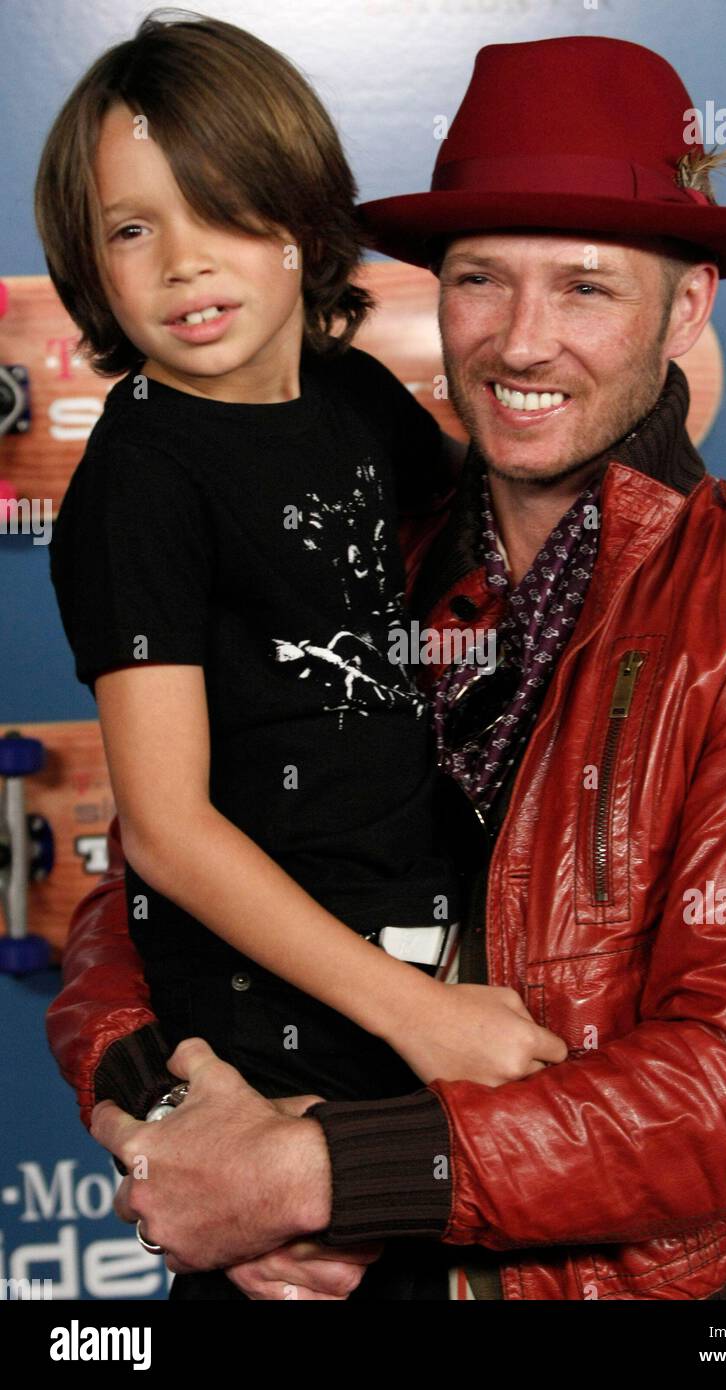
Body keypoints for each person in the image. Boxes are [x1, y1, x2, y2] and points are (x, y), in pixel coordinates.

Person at [49, 35, 726, 1301]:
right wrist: (170, 1125)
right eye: (482, 279)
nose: (523, 343)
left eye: (587, 289)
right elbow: (145, 888)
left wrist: (324, 1173)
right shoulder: (361, 522)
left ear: (689, 309)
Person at [38, 14, 567, 1302]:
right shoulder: (138, 479)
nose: (179, 263)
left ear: (298, 222)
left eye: (218, 210)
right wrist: (416, 1010)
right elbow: (163, 831)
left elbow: (501, 554)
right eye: (130, 228)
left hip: (413, 968)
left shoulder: (355, 401)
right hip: (281, 1027)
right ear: (89, 265)